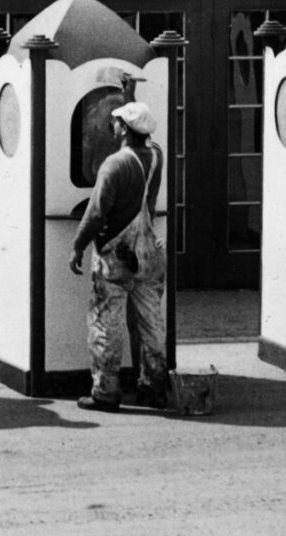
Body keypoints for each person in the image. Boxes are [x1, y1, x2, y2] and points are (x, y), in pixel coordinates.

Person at [70, 98, 196, 414]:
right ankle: (153, 388)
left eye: (116, 121)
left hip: (117, 253)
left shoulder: (115, 164)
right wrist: (131, 94)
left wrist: (78, 244)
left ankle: (105, 393)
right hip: (149, 250)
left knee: (105, 322)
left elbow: (97, 212)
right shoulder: (157, 156)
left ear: (124, 128)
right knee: (151, 322)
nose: (111, 125)